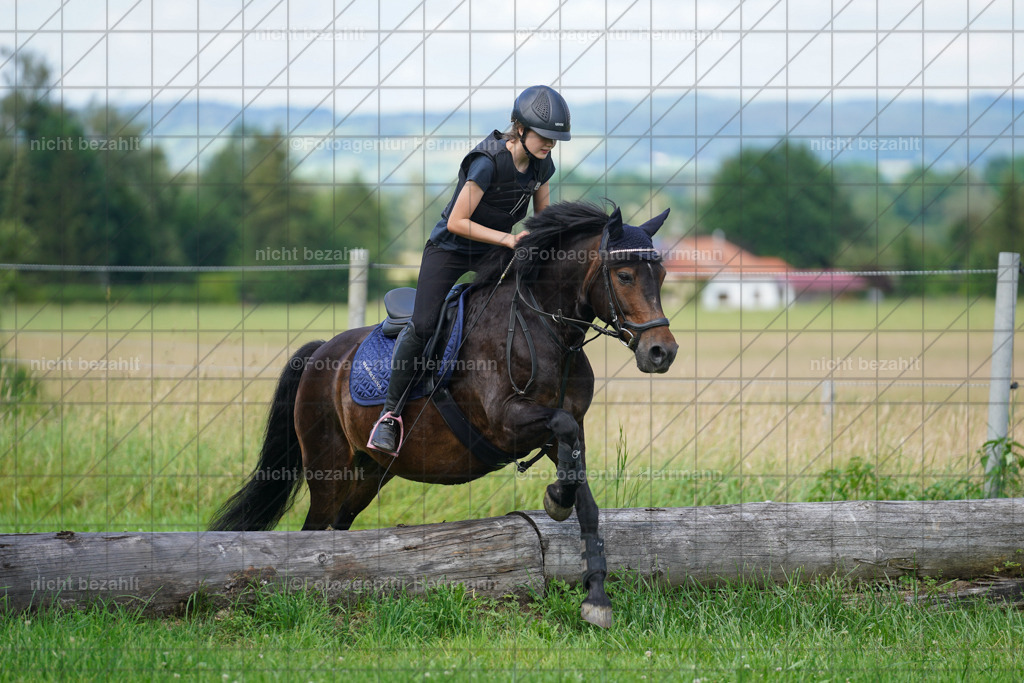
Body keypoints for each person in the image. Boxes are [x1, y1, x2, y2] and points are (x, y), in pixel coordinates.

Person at [367, 85, 571, 456]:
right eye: (544, 136)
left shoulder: (543, 165)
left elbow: (543, 220)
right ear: (520, 129)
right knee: (424, 325)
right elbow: (457, 221)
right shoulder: (487, 162)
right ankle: (389, 416)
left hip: (493, 250)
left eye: (554, 140)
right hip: (450, 250)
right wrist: (508, 240)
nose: (550, 144)